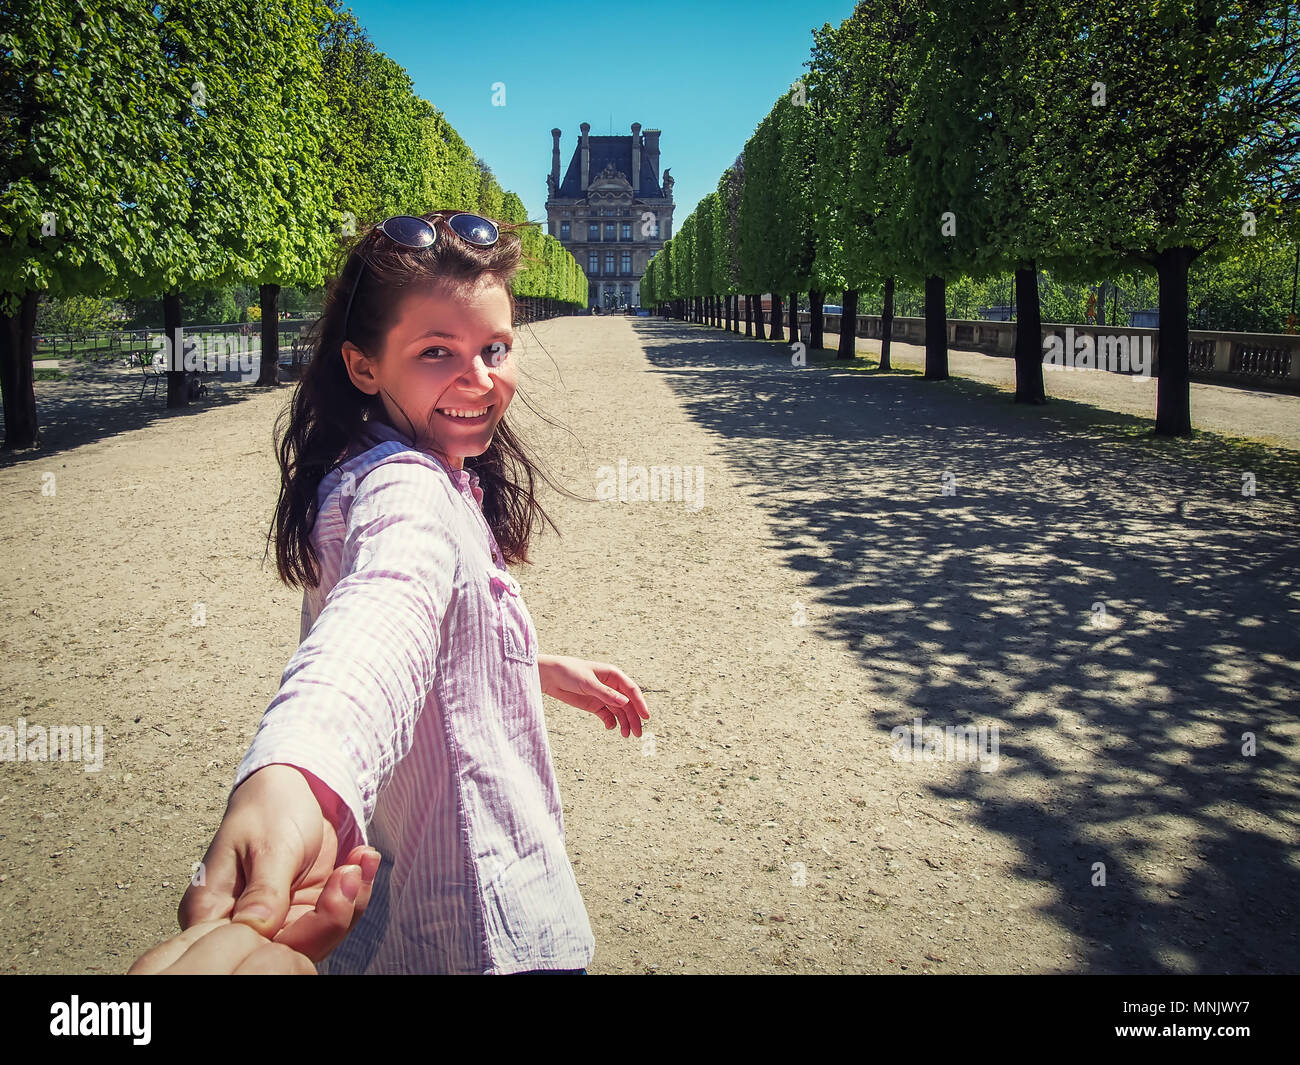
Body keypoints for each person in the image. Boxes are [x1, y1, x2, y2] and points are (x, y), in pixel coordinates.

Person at [172, 210, 649, 975]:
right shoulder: (407, 488)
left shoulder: (388, 457)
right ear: (364, 366)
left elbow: (430, 630)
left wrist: (525, 665)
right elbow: (382, 618)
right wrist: (297, 773)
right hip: (486, 932)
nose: (481, 378)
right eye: (438, 352)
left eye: (494, 347)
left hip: (416, 921)